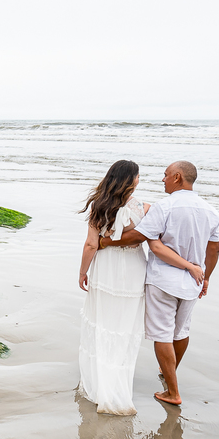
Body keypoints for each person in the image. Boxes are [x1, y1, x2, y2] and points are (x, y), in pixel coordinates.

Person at [101, 160, 219, 407]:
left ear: (177, 177)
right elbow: (214, 248)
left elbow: (140, 236)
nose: (163, 179)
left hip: (162, 280)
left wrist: (107, 242)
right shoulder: (211, 211)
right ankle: (168, 373)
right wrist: (206, 276)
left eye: (166, 175)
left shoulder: (164, 207)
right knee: (182, 331)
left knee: (163, 336)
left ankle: (173, 391)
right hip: (193, 281)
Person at [77, 160, 158, 414]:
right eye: (137, 177)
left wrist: (83, 271)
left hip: (106, 269)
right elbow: (153, 240)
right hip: (133, 269)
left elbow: (91, 244)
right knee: (123, 326)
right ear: (132, 181)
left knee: (103, 322)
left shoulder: (98, 207)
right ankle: (117, 387)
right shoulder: (144, 208)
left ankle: (98, 385)